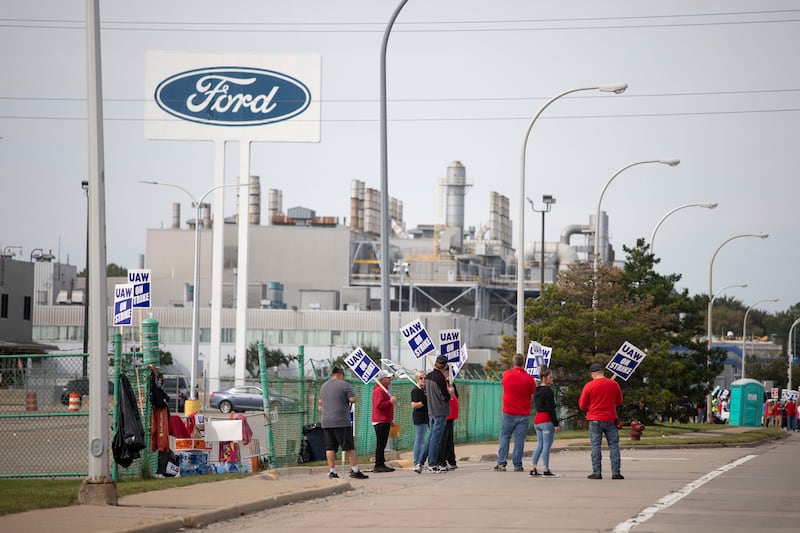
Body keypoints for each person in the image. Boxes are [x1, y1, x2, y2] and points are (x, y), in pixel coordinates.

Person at [318, 367, 368, 479]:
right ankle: (355, 470)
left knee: (330, 448)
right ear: (341, 374)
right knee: (349, 447)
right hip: (341, 421)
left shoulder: (324, 386)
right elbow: (353, 399)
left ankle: (332, 471)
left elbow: (320, 401)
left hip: (326, 421)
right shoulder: (344, 384)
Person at [579, 362, 624, 480]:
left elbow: (582, 405)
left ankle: (597, 472)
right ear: (602, 372)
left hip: (594, 419)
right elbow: (619, 401)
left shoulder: (589, 386)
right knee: (614, 445)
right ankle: (616, 472)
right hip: (610, 418)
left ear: (592, 374)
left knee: (595, 446)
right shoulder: (613, 384)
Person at [494, 353, 536, 472]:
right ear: (524, 363)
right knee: (519, 439)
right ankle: (517, 464)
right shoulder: (529, 379)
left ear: (513, 362)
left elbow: (504, 385)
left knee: (505, 436)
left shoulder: (507, 375)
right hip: (523, 413)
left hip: (508, 412)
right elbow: (532, 394)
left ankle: (501, 463)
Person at [425, 354, 453, 473]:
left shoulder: (428, 376)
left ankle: (422, 462)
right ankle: (432, 462)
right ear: (444, 365)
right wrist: (449, 393)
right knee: (435, 438)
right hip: (440, 411)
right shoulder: (439, 378)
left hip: (431, 410)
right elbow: (444, 396)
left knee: (432, 437)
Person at [530, 366, 559, 477]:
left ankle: (533, 467)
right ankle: (546, 469)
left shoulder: (536, 390)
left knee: (539, 445)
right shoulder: (548, 392)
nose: (552, 379)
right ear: (544, 378)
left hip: (537, 420)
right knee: (547, 445)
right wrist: (555, 423)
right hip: (546, 420)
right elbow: (551, 409)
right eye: (550, 377)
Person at [371, 370, 398, 472]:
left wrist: (390, 420)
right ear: (382, 379)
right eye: (388, 377)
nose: (390, 379)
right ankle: (378, 464)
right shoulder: (379, 390)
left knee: (382, 443)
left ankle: (381, 463)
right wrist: (390, 402)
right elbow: (379, 405)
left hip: (385, 420)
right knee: (381, 443)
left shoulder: (384, 390)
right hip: (380, 420)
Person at [410, 370, 429, 473]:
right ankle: (416, 461)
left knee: (424, 440)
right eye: (421, 378)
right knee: (419, 440)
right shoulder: (416, 390)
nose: (423, 380)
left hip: (427, 416)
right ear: (418, 379)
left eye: (425, 378)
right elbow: (413, 404)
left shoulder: (425, 390)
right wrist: (422, 402)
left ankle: (421, 461)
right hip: (419, 416)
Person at [438, 381, 459, 471]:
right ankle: (441, 461)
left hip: (451, 415)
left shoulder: (450, 383)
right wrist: (448, 392)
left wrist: (452, 392)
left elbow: (456, 396)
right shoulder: (440, 383)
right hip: (445, 415)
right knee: (443, 439)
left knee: (449, 440)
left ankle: (450, 460)